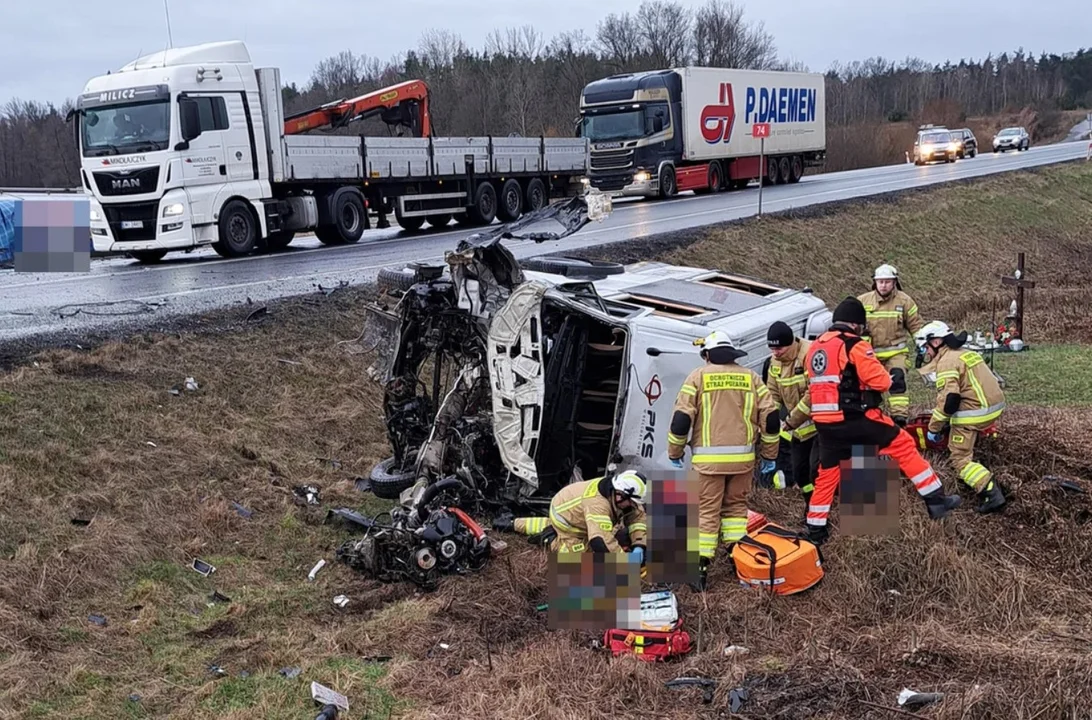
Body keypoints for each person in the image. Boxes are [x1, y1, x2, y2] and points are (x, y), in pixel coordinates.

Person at [803, 297, 962, 545]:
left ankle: (815, 530)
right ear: (856, 325)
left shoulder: (815, 349)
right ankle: (936, 500)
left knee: (828, 475)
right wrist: (892, 377)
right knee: (903, 444)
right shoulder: (854, 345)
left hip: (825, 425)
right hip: (856, 419)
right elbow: (880, 381)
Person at [666, 330, 779, 590]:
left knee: (706, 513)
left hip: (707, 464)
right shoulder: (750, 377)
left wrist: (675, 452)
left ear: (707, 355)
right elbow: (771, 419)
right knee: (735, 511)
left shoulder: (697, 377)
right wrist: (769, 457)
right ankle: (739, 560)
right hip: (743, 461)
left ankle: (699, 572)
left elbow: (681, 419)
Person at [914, 320, 1007, 514]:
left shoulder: (947, 362)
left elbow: (950, 400)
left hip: (973, 415)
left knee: (959, 459)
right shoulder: (966, 353)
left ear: (937, 342)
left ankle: (991, 492)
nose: (926, 352)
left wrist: (934, 428)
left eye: (925, 347)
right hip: (992, 407)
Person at [494, 469, 648, 565]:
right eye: (632, 502)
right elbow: (600, 541)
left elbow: (637, 516)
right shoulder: (598, 505)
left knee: (553, 525)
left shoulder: (619, 494)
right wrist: (625, 562)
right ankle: (550, 540)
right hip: (565, 520)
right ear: (620, 495)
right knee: (580, 558)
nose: (633, 505)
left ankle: (511, 523)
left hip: (570, 510)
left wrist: (639, 545)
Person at [858, 264, 925, 427]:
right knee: (868, 387)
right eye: (880, 282)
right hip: (870, 355)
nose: (883, 285)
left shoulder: (905, 301)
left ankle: (899, 417)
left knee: (898, 380)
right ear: (875, 282)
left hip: (896, 353)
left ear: (895, 282)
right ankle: (871, 416)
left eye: (887, 282)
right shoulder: (862, 301)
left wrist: (922, 343)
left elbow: (916, 325)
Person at [765, 321, 819, 515]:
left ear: (791, 343)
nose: (776, 352)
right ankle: (811, 507)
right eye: (772, 348)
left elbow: (813, 393)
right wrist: (769, 417)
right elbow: (772, 392)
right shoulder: (774, 361)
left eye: (779, 348)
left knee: (816, 471)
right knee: (800, 472)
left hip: (820, 425)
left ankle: (822, 510)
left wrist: (790, 420)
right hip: (800, 428)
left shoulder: (810, 354)